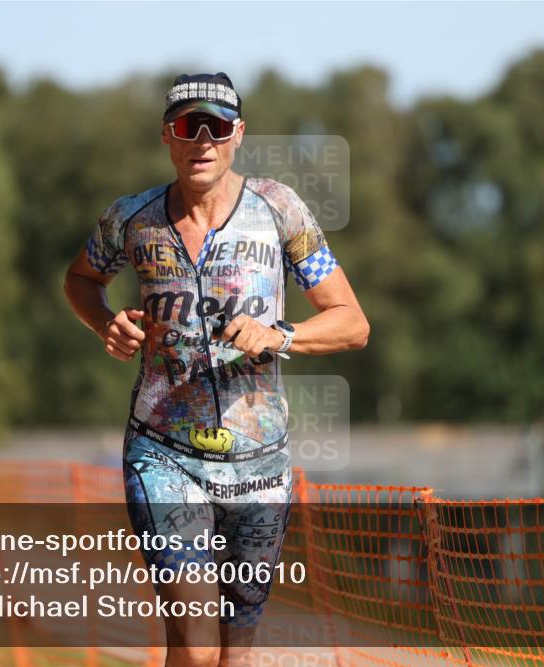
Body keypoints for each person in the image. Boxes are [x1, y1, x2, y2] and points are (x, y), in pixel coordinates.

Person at [64, 72, 369, 667]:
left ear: (237, 137)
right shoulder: (132, 218)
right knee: (196, 644)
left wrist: (280, 334)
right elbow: (80, 279)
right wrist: (105, 323)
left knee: (237, 652)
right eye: (187, 126)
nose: (202, 140)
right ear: (167, 137)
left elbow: (352, 322)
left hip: (261, 463)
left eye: (217, 126)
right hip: (164, 452)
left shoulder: (279, 210)